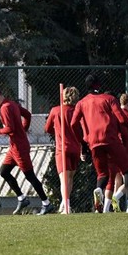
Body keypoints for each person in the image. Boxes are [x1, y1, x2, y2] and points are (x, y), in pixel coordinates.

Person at [0, 84, 56, 215]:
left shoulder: (5, 108)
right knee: (4, 172)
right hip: (14, 147)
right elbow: (28, 115)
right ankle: (22, 198)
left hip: (19, 148)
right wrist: (23, 129)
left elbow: (10, 129)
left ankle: (46, 203)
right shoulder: (11, 104)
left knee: (29, 176)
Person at [71, 74, 128, 213]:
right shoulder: (109, 99)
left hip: (94, 142)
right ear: (99, 85)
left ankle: (98, 190)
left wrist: (83, 143)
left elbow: (73, 124)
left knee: (102, 174)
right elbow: (121, 118)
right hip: (111, 138)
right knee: (127, 170)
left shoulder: (81, 103)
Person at [44, 86, 83, 214]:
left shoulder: (56, 110)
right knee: (70, 177)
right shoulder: (77, 111)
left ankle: (66, 205)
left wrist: (58, 129)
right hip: (75, 147)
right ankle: (65, 203)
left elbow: (47, 128)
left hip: (62, 148)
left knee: (63, 179)